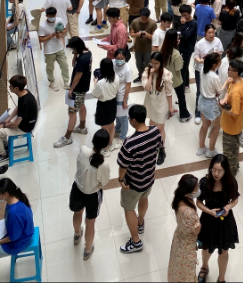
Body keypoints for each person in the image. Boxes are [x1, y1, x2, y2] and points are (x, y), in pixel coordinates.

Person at [117, 103, 162, 254]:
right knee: (144, 198)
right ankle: (140, 222)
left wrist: (121, 180)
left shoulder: (130, 142)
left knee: (129, 208)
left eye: (130, 118)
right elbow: (159, 147)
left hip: (133, 183)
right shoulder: (155, 131)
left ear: (134, 120)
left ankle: (136, 241)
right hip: (149, 177)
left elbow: (123, 165)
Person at [196, 154, 239, 283]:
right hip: (208, 218)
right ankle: (204, 266)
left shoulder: (231, 182)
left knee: (224, 250)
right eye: (213, 169)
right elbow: (199, 202)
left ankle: (221, 278)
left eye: (220, 171)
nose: (216, 173)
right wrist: (209, 211)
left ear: (226, 170)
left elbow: (235, 199)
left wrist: (228, 207)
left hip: (225, 220)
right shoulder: (204, 182)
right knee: (206, 247)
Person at [70, 129, 111, 261]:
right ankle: (87, 250)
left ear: (93, 140)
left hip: (77, 189)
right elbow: (104, 182)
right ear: (106, 146)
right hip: (92, 195)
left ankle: (77, 235)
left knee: (77, 213)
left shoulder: (83, 150)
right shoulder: (103, 165)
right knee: (90, 223)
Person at [54, 37, 92, 147]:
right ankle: (82, 127)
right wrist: (75, 55)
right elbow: (73, 65)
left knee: (72, 112)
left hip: (78, 88)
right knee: (81, 104)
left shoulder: (82, 59)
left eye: (73, 49)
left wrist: (71, 89)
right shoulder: (87, 52)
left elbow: (78, 76)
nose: (72, 51)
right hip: (84, 86)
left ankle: (67, 138)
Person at [167, 174, 201, 283]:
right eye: (196, 188)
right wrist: (199, 223)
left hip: (179, 238)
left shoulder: (180, 199)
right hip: (187, 246)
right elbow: (196, 230)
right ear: (188, 193)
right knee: (186, 272)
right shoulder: (188, 212)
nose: (198, 190)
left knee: (177, 268)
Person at [142, 52, 174, 162]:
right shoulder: (147, 72)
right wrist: (151, 75)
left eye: (156, 63)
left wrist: (170, 107)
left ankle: (162, 149)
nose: (154, 65)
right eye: (152, 63)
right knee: (151, 125)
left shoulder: (166, 74)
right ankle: (152, 145)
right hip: (151, 101)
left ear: (161, 63)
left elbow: (169, 92)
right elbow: (147, 88)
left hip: (161, 103)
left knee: (160, 127)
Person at [0, 76, 38, 168]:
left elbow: (16, 124)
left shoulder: (25, 102)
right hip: (24, 122)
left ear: (16, 88)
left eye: (10, 86)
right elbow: (18, 108)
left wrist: (4, 125)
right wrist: (8, 119)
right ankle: (5, 145)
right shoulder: (25, 92)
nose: (9, 87)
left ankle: (3, 154)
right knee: (2, 126)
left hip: (24, 127)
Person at [220, 59, 243, 175]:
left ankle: (230, 174)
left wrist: (222, 108)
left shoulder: (236, 92)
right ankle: (235, 166)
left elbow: (235, 112)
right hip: (237, 125)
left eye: (229, 69)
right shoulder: (239, 81)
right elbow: (228, 91)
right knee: (235, 148)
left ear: (235, 73)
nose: (227, 71)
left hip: (230, 127)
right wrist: (225, 99)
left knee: (229, 153)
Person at [193, 23, 224, 124]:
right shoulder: (200, 43)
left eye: (213, 33)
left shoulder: (217, 41)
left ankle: (211, 111)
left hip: (213, 69)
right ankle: (198, 113)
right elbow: (196, 56)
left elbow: (220, 52)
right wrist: (202, 61)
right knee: (200, 90)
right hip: (201, 69)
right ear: (205, 33)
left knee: (212, 90)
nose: (211, 35)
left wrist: (216, 54)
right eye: (209, 33)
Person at [161, 28, 191, 122]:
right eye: (177, 37)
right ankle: (184, 115)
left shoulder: (163, 49)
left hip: (165, 77)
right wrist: (181, 60)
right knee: (181, 97)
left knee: (166, 95)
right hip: (176, 79)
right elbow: (178, 68)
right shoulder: (176, 53)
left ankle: (167, 110)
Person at [197, 52, 223, 158]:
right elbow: (219, 91)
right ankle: (211, 150)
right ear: (214, 64)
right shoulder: (214, 77)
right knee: (216, 127)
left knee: (204, 126)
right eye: (219, 60)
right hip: (211, 104)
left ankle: (201, 147)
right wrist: (226, 83)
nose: (221, 62)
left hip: (201, 100)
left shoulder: (203, 70)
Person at [0, 178, 34, 257]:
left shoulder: (14, 212)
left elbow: (14, 237)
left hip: (19, 242)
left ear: (6, 194)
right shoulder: (18, 198)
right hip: (22, 231)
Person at [38, 6, 70, 91]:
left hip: (59, 48)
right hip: (49, 50)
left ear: (56, 14)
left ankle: (66, 81)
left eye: (53, 16)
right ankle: (52, 82)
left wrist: (61, 34)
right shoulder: (42, 26)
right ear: (46, 15)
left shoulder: (59, 20)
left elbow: (64, 29)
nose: (52, 18)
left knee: (64, 65)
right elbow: (40, 39)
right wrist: (51, 36)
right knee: (50, 68)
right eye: (50, 16)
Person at [92, 58, 119, 155]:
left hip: (103, 106)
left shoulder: (101, 83)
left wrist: (95, 82)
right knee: (111, 125)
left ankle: (105, 148)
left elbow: (95, 95)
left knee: (105, 128)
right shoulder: (116, 78)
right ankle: (110, 144)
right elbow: (117, 91)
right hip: (113, 103)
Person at [129, 7, 156, 83]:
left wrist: (147, 35)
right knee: (139, 63)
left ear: (148, 16)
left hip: (148, 48)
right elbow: (131, 34)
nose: (143, 20)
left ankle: (147, 77)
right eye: (142, 18)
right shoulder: (135, 22)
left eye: (145, 18)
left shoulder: (153, 23)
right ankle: (141, 75)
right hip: (138, 47)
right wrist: (137, 34)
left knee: (148, 64)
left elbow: (154, 37)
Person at [113, 48, 133, 144]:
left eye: (122, 59)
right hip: (113, 94)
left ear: (125, 58)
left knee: (123, 117)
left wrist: (124, 101)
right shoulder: (113, 63)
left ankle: (123, 136)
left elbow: (128, 85)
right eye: (117, 58)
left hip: (121, 95)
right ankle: (117, 130)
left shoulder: (127, 70)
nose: (119, 60)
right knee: (117, 114)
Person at [179, 3, 198, 92]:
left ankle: (182, 88)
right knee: (184, 67)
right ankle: (186, 84)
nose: (183, 17)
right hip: (181, 46)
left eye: (185, 15)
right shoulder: (183, 20)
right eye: (182, 15)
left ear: (190, 13)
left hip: (188, 48)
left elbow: (186, 35)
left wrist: (183, 25)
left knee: (183, 68)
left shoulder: (193, 23)